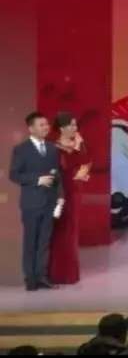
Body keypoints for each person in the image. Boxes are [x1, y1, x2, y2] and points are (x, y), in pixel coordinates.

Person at [8, 112, 64, 292]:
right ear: (31, 128)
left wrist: (60, 196)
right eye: (41, 125)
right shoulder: (21, 149)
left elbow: (57, 174)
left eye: (47, 124)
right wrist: (37, 180)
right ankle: (30, 279)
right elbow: (14, 175)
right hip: (31, 203)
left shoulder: (53, 148)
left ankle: (42, 276)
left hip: (49, 202)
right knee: (30, 242)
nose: (46, 127)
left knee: (44, 242)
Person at [48, 112, 91, 285]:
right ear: (61, 128)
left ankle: (69, 273)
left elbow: (86, 163)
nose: (75, 128)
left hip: (75, 190)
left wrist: (82, 172)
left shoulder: (78, 143)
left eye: (75, 125)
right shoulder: (55, 147)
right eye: (71, 125)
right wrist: (76, 149)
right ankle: (59, 273)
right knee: (62, 230)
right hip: (61, 191)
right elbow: (64, 166)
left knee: (71, 230)